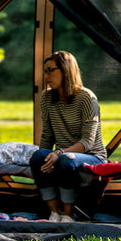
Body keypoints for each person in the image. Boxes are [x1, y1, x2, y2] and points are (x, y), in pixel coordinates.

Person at [29, 51, 108, 221]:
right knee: (37, 157)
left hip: (92, 156)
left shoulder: (86, 98)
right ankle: (54, 212)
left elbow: (88, 142)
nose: (46, 76)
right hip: (64, 155)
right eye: (45, 71)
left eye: (50, 70)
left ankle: (68, 214)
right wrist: (46, 158)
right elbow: (47, 135)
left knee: (66, 159)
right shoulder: (46, 98)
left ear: (65, 70)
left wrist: (58, 153)